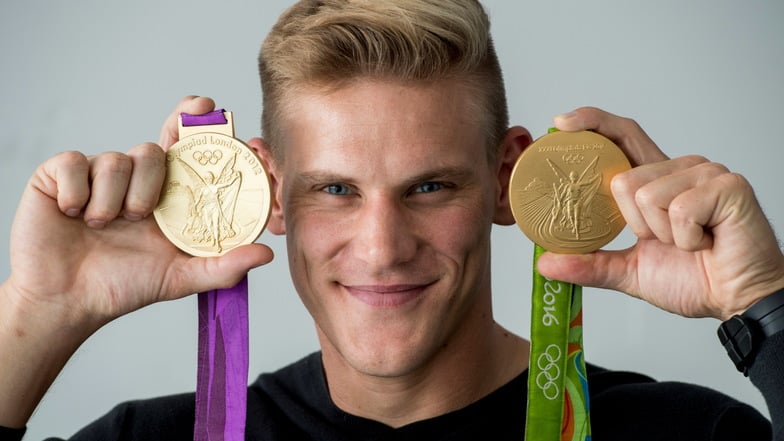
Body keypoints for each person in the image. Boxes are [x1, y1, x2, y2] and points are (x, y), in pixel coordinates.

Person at [1, 0, 782, 439]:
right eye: (335, 190)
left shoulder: (686, 438)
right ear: (270, 192)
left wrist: (767, 303)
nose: (381, 248)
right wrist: (40, 313)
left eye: (430, 186)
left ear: (507, 178)